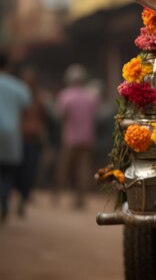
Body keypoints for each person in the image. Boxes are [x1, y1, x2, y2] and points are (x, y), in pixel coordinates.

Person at [54, 64, 100, 209]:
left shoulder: (65, 95)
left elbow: (61, 116)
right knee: (83, 169)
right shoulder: (91, 96)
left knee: (64, 167)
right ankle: (80, 199)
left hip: (70, 138)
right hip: (86, 138)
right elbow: (95, 114)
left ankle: (57, 195)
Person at [15, 67, 52, 217]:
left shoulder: (40, 99)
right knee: (17, 170)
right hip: (17, 138)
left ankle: (23, 199)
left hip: (33, 139)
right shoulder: (17, 96)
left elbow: (46, 119)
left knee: (29, 171)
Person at [0, 51, 31, 223]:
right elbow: (27, 107)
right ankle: (4, 199)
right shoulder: (18, 87)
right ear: (8, 65)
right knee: (7, 173)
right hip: (11, 134)